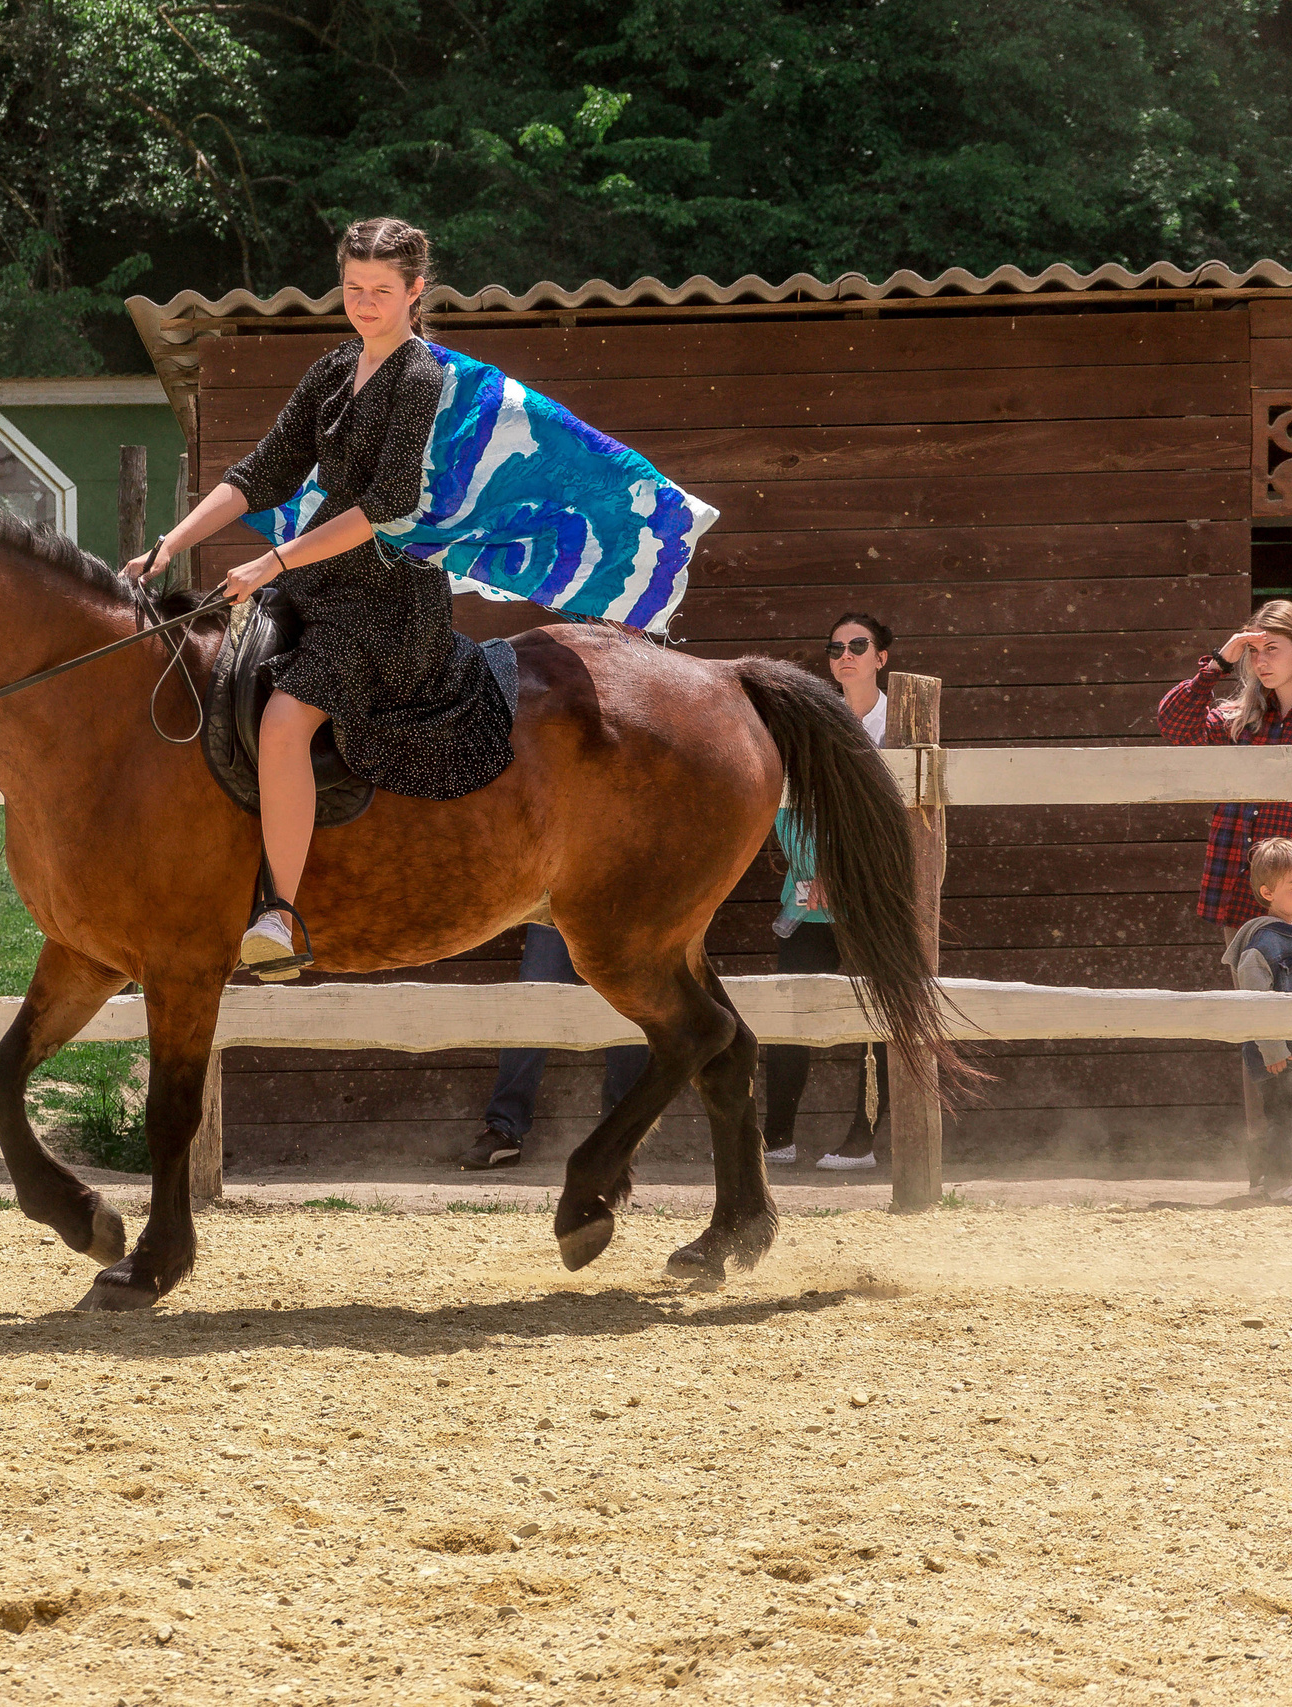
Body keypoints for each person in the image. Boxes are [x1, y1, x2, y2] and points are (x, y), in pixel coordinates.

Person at [127, 217, 715, 980]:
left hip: (388, 606)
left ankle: (279, 911)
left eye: (380, 291)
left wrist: (273, 560)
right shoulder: (333, 369)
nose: (364, 303)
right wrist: (170, 543)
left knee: (281, 721)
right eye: (353, 288)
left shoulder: (420, 379)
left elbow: (386, 506)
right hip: (315, 588)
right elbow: (262, 471)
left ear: (413, 293)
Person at [1157, 600, 1292, 954]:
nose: (1260, 661)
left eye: (1272, 649)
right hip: (1241, 893)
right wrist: (1219, 663)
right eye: (1253, 651)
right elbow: (1174, 723)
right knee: (1248, 1006)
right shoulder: (1240, 721)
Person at [762, 613, 893, 1171]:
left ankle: (865, 1138)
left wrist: (845, 875)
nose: (846, 655)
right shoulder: (815, 720)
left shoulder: (903, 722)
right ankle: (776, 1138)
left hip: (876, 898)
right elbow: (789, 803)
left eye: (858, 646)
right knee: (791, 1012)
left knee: (881, 1017)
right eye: (836, 646)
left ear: (881, 657)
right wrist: (813, 871)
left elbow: (905, 821)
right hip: (809, 897)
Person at [457, 925, 649, 1169]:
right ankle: (504, 1129)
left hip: (623, 906)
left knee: (628, 1007)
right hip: (558, 906)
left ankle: (621, 1135)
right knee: (532, 1002)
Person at [1220, 838, 1292, 1206]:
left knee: (1286, 1114)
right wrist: (1270, 1046)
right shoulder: (1263, 942)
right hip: (1275, 1048)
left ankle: (1268, 1181)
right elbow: (1257, 1002)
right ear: (1267, 891)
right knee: (1285, 1116)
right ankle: (1284, 1185)